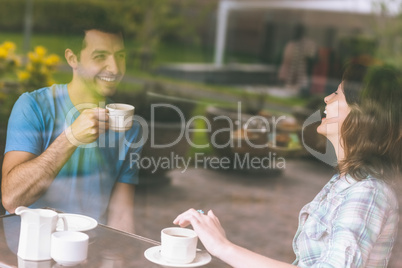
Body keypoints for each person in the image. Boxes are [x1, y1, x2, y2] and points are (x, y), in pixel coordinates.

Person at [174, 64, 401, 267]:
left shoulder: (368, 193)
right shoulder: (348, 183)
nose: (327, 99)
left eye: (337, 93)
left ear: (360, 116)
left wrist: (223, 247)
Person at [1, 22, 142, 233]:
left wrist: (117, 260)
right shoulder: (32, 106)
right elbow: (11, 198)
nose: (115, 68)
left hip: (89, 252)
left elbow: (121, 215)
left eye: (120, 56)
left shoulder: (127, 127)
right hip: (31, 249)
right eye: (100, 56)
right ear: (72, 58)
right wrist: (72, 137)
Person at [278, 24, 317, 97]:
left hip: (300, 77)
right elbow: (286, 61)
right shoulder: (290, 45)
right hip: (289, 77)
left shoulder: (307, 44)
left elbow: (311, 57)